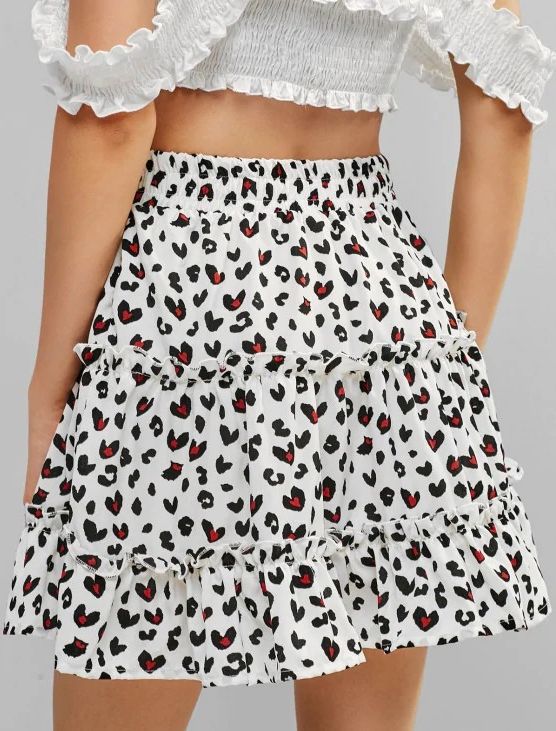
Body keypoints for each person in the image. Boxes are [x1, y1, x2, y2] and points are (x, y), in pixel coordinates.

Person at [3, 1, 555, 730]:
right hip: (378, 297)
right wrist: (444, 367)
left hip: (192, 303)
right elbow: (505, 114)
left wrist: (49, 388)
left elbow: (109, 124)